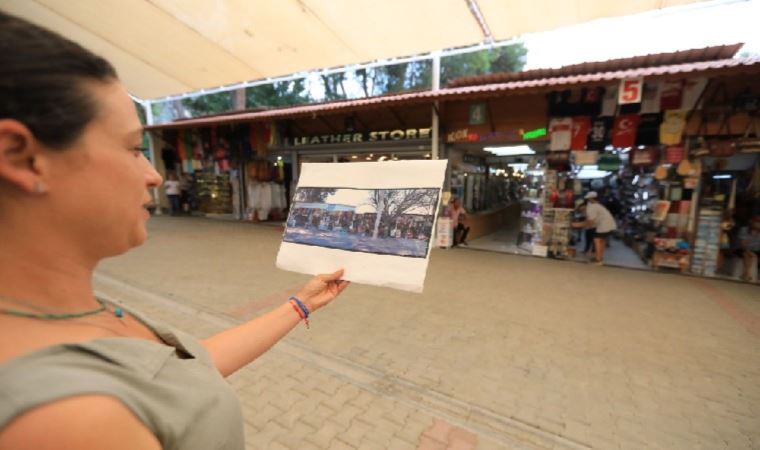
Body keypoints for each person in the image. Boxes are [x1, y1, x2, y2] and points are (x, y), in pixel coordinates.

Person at [0, 12, 349, 450]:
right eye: (131, 149)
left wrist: (301, 303)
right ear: (22, 157)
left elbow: (182, 373)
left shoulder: (67, 310)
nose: (153, 175)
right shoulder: (70, 419)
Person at [572, 191, 617, 265]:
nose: (582, 211)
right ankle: (600, 257)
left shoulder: (591, 208)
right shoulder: (596, 205)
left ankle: (598, 260)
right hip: (609, 225)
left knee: (597, 240)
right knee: (601, 240)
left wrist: (575, 225)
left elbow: (589, 223)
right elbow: (590, 222)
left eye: (581, 210)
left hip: (604, 226)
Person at [738, 215, 760, 282]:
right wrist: (749, 251)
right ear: (752, 222)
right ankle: (748, 273)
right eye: (757, 222)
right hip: (745, 249)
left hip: (757, 250)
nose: (758, 224)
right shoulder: (744, 230)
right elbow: (743, 244)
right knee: (747, 254)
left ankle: (745, 274)